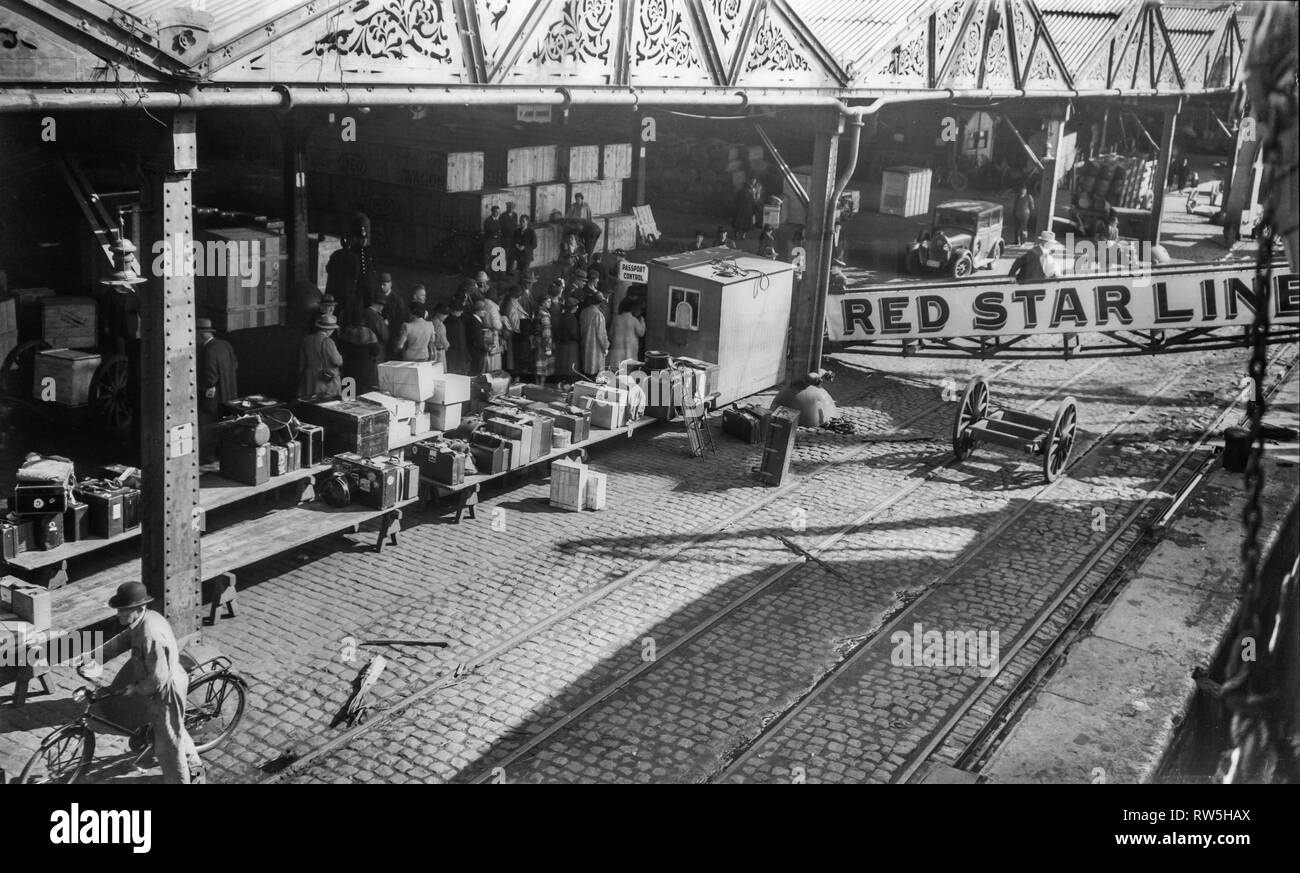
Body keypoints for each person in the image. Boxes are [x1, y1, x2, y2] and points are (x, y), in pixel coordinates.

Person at [75, 582, 204, 784]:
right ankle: (194, 764)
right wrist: (94, 657)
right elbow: (123, 640)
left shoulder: (150, 633)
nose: (119, 614)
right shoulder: (142, 620)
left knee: (169, 747)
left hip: (166, 690)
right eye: (119, 609)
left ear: (139, 608)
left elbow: (158, 679)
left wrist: (135, 689)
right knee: (173, 729)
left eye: (123, 610)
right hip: (157, 679)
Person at [196, 318, 237, 469]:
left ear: (200, 335)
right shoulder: (225, 345)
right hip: (229, 395)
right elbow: (235, 364)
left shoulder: (208, 350)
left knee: (208, 427)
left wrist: (200, 388)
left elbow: (210, 378)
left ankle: (207, 458)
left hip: (213, 399)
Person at [337, 310, 382, 393]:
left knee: (348, 395)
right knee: (365, 395)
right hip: (366, 369)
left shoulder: (346, 332)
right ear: (363, 321)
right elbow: (376, 352)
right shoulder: (370, 333)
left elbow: (340, 349)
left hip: (350, 368)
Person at [299, 313, 344, 398]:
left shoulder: (307, 339)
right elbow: (337, 361)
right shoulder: (328, 341)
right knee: (325, 403)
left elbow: (302, 361)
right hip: (325, 379)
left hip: (309, 377)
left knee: (310, 402)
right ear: (328, 330)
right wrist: (341, 357)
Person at [375, 273, 408, 357]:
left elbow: (400, 319)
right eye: (380, 284)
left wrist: (389, 322)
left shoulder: (397, 300)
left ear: (390, 284)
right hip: (379, 336)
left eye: (384, 284)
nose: (381, 287)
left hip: (392, 335)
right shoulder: (376, 297)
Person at [579, 291, 610, 379]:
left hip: (585, 345)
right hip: (596, 349)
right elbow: (601, 334)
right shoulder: (598, 315)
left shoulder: (584, 311)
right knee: (596, 373)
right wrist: (605, 347)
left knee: (586, 370)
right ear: (600, 302)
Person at [608, 297, 645, 369]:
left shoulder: (616, 319)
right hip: (629, 351)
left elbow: (610, 335)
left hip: (616, 351)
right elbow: (641, 333)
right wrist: (642, 322)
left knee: (617, 372)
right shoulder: (634, 320)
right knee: (627, 373)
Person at [555, 295, 582, 381]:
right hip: (570, 345)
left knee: (562, 365)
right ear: (572, 307)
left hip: (562, 344)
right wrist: (580, 339)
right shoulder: (572, 318)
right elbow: (574, 333)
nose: (577, 307)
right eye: (576, 305)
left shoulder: (562, 316)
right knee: (570, 366)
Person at [360, 290, 390, 362]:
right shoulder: (378, 318)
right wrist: (385, 325)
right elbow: (385, 336)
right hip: (376, 353)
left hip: (362, 351)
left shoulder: (362, 313)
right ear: (380, 305)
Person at [444, 296, 470, 375]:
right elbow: (461, 342)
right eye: (460, 310)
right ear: (456, 311)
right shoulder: (457, 323)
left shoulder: (446, 321)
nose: (461, 312)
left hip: (450, 354)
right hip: (458, 355)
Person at [465, 298, 491, 375]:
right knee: (477, 372)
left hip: (476, 351)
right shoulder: (474, 322)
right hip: (477, 353)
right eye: (483, 310)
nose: (485, 312)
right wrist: (486, 347)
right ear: (478, 311)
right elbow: (478, 339)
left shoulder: (475, 320)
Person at [429, 302, 450, 367]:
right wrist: (448, 346)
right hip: (439, 352)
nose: (446, 316)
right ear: (439, 313)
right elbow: (444, 341)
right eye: (445, 314)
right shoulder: (440, 326)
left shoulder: (429, 322)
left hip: (430, 351)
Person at [500, 202, 520, 272]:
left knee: (512, 255)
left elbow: (515, 226)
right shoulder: (502, 216)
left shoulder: (515, 215)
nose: (511, 209)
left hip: (513, 238)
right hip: (505, 238)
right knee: (504, 254)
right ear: (507, 208)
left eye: (512, 208)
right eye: (509, 207)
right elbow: (501, 228)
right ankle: (503, 271)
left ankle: (509, 270)